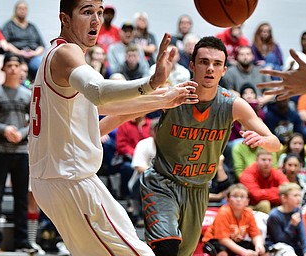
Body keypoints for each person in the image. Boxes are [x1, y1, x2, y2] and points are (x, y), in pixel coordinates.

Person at [28, 0, 199, 255]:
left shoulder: (56, 59)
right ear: (64, 19)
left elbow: (101, 117)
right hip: (71, 182)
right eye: (87, 12)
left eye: (99, 12)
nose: (96, 20)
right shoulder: (67, 54)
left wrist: (161, 99)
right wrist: (151, 83)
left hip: (56, 181)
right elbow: (100, 93)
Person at [139, 36, 280, 256]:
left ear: (224, 70)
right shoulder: (175, 94)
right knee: (166, 247)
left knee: (182, 252)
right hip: (163, 182)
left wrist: (262, 140)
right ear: (192, 66)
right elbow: (125, 112)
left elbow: (275, 143)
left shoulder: (233, 104)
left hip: (199, 188)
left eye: (216, 64)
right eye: (204, 62)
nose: (210, 69)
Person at [0, 53, 36, 254]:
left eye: (15, 65)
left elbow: (36, 122)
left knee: (21, 199)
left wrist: (22, 133)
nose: (11, 68)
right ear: (3, 69)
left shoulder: (27, 95)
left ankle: (22, 242)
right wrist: (3, 130)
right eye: (8, 65)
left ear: (21, 69)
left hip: (21, 152)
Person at [202, 183, 266, 256]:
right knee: (222, 253)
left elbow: (255, 234)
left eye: (242, 197)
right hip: (214, 241)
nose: (238, 199)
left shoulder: (249, 213)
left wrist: (259, 245)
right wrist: (243, 252)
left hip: (234, 241)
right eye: (235, 196)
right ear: (228, 199)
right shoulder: (223, 212)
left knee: (260, 251)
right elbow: (223, 239)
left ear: (247, 201)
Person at [1, 0, 45, 81]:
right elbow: (6, 44)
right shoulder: (9, 25)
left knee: (42, 66)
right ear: (15, 10)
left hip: (33, 56)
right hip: (16, 55)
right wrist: (19, 52)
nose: (22, 11)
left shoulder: (32, 27)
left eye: (25, 9)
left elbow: (41, 46)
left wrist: (35, 53)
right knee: (17, 70)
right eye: (20, 8)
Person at [265, 183, 306, 256]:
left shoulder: (297, 211)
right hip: (277, 248)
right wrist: (292, 225)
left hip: (294, 247)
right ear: (284, 198)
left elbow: (302, 234)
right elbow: (280, 240)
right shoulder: (274, 215)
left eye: (299, 195)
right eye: (295, 195)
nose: (299, 198)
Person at [240, 148, 288, 214]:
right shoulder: (247, 174)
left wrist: (263, 192)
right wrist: (278, 191)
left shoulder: (276, 173)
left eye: (269, 160)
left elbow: (288, 190)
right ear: (256, 160)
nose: (267, 163)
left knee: (288, 202)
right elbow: (256, 195)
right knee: (265, 204)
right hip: (251, 206)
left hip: (273, 204)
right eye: (263, 160)